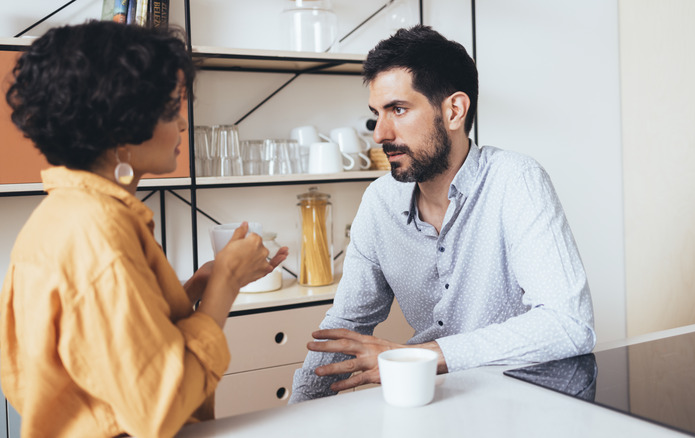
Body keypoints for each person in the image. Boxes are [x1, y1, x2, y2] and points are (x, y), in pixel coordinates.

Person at [0, 21, 288, 438]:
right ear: (122, 126)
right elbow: (158, 408)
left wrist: (195, 289)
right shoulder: (98, 232)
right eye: (170, 109)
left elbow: (108, 349)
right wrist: (225, 281)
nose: (183, 124)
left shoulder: (67, 215)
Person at [290, 25, 595, 403]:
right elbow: (346, 326)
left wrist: (424, 356)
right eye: (376, 114)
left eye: (398, 110)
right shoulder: (379, 202)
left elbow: (569, 324)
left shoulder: (516, 181)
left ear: (454, 111)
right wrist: (296, 413)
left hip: (521, 402)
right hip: (431, 399)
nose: (380, 134)